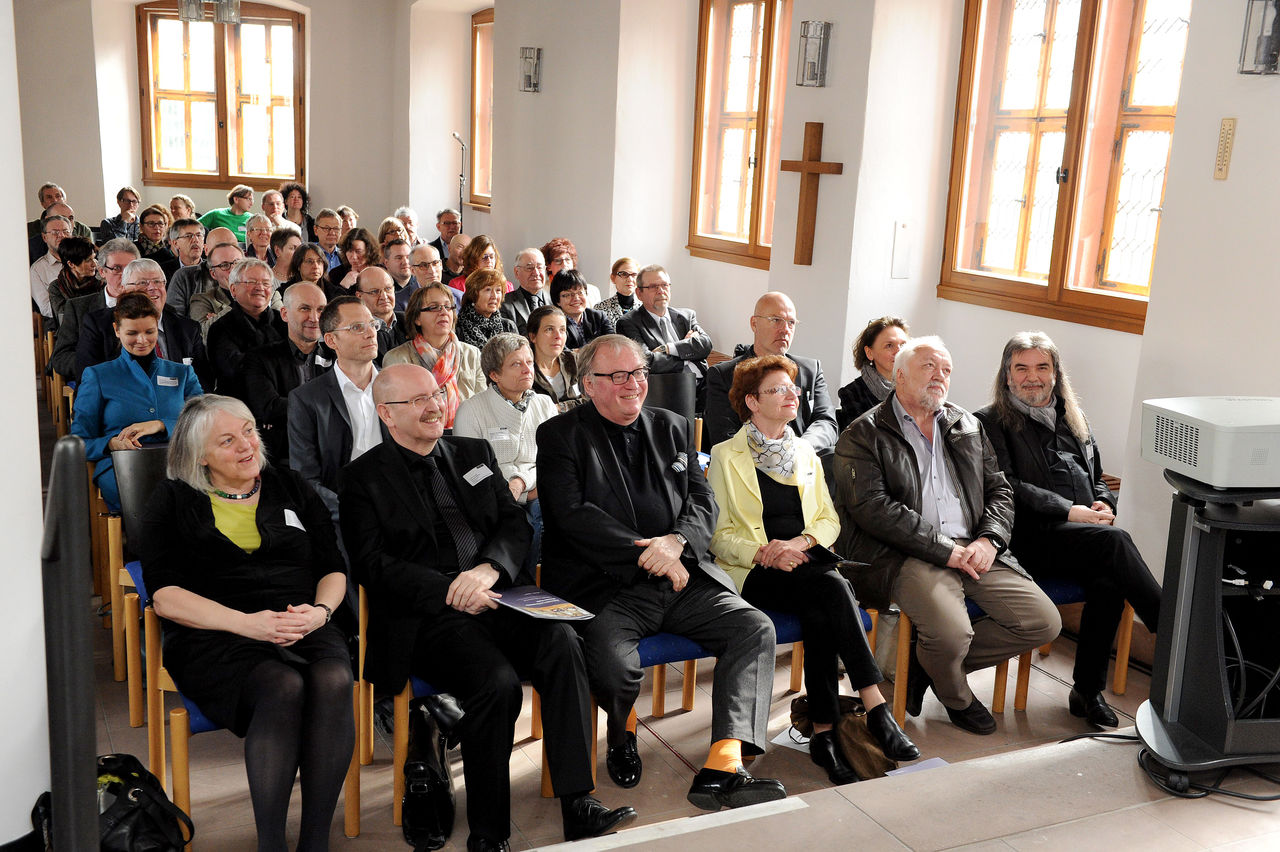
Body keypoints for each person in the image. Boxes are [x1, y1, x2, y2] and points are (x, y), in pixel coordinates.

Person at [341, 363, 637, 851]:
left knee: (564, 640)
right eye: (417, 401)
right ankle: (489, 830)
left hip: (504, 592)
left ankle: (578, 802)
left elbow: (515, 523)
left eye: (436, 394)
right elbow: (373, 565)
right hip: (430, 614)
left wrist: (489, 571)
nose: (434, 405)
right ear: (385, 414)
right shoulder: (363, 478)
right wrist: (452, 588)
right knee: (496, 682)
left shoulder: (471, 453)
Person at [537, 334, 786, 810]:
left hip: (682, 576)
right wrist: (647, 553)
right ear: (589, 384)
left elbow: (701, 498)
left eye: (639, 373)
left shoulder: (673, 426)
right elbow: (573, 515)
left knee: (753, 628)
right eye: (618, 375)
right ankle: (621, 727)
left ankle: (723, 765)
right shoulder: (559, 435)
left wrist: (677, 544)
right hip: (608, 586)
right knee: (613, 668)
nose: (633, 384)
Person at [137, 394, 353, 852]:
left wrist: (321, 612)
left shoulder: (290, 485)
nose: (246, 445)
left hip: (301, 621)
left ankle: (315, 842)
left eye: (250, 431)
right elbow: (166, 595)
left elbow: (333, 567)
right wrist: (246, 624)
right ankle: (271, 845)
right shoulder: (173, 499)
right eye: (228, 440)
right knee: (282, 685)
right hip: (214, 631)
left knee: (334, 678)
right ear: (199, 456)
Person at [833, 336, 1061, 736]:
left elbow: (1000, 490)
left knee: (1042, 622)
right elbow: (873, 509)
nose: (940, 377)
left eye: (946, 370)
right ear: (899, 376)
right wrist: (944, 550)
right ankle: (957, 696)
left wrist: (989, 540)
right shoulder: (864, 432)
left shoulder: (966, 424)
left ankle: (927, 663)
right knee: (953, 633)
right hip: (906, 553)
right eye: (928, 368)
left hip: (974, 546)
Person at [708, 355, 919, 784]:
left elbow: (828, 520)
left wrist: (800, 543)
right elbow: (716, 535)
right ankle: (875, 708)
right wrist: (766, 552)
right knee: (830, 589)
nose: (793, 395)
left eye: (793, 388)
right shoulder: (725, 456)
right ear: (751, 401)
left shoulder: (804, 450)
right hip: (755, 572)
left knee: (822, 601)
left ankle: (824, 733)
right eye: (779, 390)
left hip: (805, 561)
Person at [974, 332, 1162, 729]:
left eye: (1042, 367)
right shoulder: (989, 421)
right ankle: (1172, 632)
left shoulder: (1073, 417)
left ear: (1056, 374)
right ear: (1006, 375)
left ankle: (1086, 691)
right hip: (1027, 538)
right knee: (1115, 543)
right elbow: (1006, 485)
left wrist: (1103, 505)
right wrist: (1069, 510)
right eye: (1021, 368)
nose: (1032, 377)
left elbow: (1098, 477)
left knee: (1109, 581)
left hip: (1081, 538)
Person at [70, 293, 203, 510]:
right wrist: (111, 443)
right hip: (123, 465)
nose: (142, 340)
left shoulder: (182, 373)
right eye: (132, 333)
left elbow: (204, 423)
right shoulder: (99, 376)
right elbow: (79, 441)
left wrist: (161, 425)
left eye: (149, 332)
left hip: (178, 460)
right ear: (117, 330)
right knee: (154, 502)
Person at [454, 333, 559, 576]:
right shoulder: (471, 409)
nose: (527, 370)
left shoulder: (544, 404)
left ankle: (539, 590)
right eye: (516, 364)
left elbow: (554, 461)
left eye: (529, 362)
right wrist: (508, 487)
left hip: (536, 492)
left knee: (546, 511)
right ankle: (521, 589)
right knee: (525, 522)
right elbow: (472, 472)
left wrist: (523, 481)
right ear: (494, 375)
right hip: (490, 496)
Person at [703, 292, 838, 477]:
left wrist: (799, 448)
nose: (785, 329)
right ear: (754, 323)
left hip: (803, 466)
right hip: (751, 471)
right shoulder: (725, 375)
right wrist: (775, 455)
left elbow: (827, 423)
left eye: (791, 322)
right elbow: (724, 435)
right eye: (776, 320)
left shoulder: (810, 370)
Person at [287, 296, 383, 519]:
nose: (370, 333)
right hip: (342, 511)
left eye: (372, 324)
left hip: (399, 507)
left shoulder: (398, 386)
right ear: (331, 341)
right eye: (357, 327)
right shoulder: (307, 399)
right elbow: (306, 478)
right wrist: (350, 511)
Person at [75, 258, 210, 389]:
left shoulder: (188, 328)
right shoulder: (98, 325)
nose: (152, 288)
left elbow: (203, 384)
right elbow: (87, 384)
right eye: (143, 283)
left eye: (158, 281)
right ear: (124, 289)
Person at [242, 282, 330, 465]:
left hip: (332, 452)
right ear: (284, 314)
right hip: (283, 457)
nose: (314, 318)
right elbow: (268, 408)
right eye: (305, 309)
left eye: (321, 310)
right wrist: (326, 405)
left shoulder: (337, 355)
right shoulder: (260, 358)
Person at [384, 283, 485, 427]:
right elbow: (400, 413)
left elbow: (482, 405)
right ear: (417, 318)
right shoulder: (398, 359)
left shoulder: (472, 354)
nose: (443, 312)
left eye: (447, 306)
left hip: (468, 432)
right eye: (434, 307)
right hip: (418, 436)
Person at [615, 264, 712, 410]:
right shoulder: (628, 323)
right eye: (653, 287)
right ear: (639, 293)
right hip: (665, 392)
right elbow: (647, 361)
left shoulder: (687, 316)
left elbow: (705, 345)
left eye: (665, 285)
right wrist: (687, 354)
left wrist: (668, 349)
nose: (661, 291)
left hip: (703, 386)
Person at [50, 239, 141, 381]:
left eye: (131, 269)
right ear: (102, 271)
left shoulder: (150, 307)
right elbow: (61, 358)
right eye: (117, 268)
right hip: (98, 383)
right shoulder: (78, 308)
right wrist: (96, 367)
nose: (125, 275)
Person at [206, 258, 287, 399]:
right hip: (238, 405)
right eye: (252, 282)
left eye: (266, 283)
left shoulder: (284, 322)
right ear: (233, 289)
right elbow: (235, 371)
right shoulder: (220, 328)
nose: (260, 287)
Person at [838, 316, 910, 430]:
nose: (899, 351)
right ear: (869, 352)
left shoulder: (916, 389)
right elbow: (861, 440)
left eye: (903, 345)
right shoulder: (852, 393)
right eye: (889, 345)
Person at [526, 305, 582, 409]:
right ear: (533, 336)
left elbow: (591, 400)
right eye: (549, 329)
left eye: (562, 330)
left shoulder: (575, 360)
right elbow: (532, 408)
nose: (558, 336)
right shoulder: (524, 368)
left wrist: (560, 407)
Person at [352, 266, 407, 363]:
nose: (384, 296)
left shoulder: (410, 321)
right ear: (359, 296)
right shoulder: (356, 332)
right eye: (374, 292)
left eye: (388, 289)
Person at [456, 269, 518, 350]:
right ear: (473, 294)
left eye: (498, 290)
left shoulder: (508, 326)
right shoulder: (458, 328)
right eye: (488, 290)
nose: (494, 296)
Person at [551, 269, 614, 350]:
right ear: (557, 301)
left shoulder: (599, 316)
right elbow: (564, 354)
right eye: (568, 295)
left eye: (580, 292)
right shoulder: (554, 322)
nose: (576, 298)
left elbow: (613, 344)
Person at [188, 242, 246, 328]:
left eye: (237, 263)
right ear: (213, 274)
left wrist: (219, 321)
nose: (233, 269)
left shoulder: (264, 291)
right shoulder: (201, 300)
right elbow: (204, 334)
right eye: (225, 265)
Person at [46, 236, 98, 330]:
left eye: (94, 258)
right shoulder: (56, 288)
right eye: (88, 260)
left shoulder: (101, 283)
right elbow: (64, 319)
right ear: (71, 264)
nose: (94, 264)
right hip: (70, 334)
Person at [30, 214, 70, 321]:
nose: (61, 235)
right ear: (44, 237)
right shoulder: (37, 269)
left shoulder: (84, 260)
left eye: (66, 231)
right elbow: (47, 309)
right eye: (55, 232)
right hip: (60, 323)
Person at [497, 248, 547, 334]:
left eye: (540, 267)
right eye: (530, 268)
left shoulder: (555, 300)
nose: (536, 273)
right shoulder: (504, 304)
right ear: (517, 272)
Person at [540, 237, 601, 304]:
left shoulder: (593, 291)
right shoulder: (542, 292)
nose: (564, 265)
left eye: (567, 259)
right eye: (558, 261)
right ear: (548, 266)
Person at [324, 226, 379, 297]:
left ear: (369, 251)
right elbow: (331, 304)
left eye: (358, 251)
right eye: (349, 251)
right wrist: (344, 285)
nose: (353, 257)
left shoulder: (379, 271)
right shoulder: (336, 274)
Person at [447, 234, 512, 294]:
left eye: (492, 257)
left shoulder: (507, 286)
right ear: (473, 260)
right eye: (484, 257)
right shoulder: (457, 285)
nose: (489, 261)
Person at [135, 206, 180, 280]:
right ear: (141, 226)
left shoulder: (170, 251)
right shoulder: (133, 249)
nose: (156, 227)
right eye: (151, 223)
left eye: (160, 223)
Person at [594, 257, 639, 325]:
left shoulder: (646, 308)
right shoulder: (600, 308)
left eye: (634, 275)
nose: (630, 279)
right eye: (624, 274)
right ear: (613, 278)